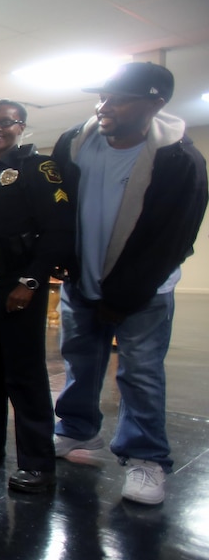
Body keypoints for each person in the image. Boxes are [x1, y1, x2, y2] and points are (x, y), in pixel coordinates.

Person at [52, 62, 208, 505]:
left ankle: (146, 459)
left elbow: (171, 240)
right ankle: (76, 430)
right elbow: (60, 208)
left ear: (155, 104)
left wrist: (123, 297)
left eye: (118, 99)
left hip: (144, 291)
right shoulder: (75, 143)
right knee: (79, 362)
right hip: (83, 281)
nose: (104, 107)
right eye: (102, 96)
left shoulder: (179, 160)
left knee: (139, 372)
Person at [0, 100, 74, 493]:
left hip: (17, 282)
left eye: (6, 123)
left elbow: (57, 232)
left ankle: (37, 462)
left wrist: (32, 281)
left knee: (24, 372)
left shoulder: (36, 170)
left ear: (21, 127)